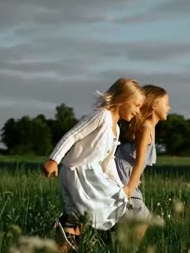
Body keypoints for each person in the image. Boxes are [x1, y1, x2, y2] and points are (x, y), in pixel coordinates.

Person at [42, 78, 145, 252]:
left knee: (92, 205)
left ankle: (68, 234)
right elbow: (73, 135)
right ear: (123, 99)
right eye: (136, 105)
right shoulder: (101, 116)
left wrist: (122, 186)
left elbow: (108, 161)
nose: (138, 112)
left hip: (91, 173)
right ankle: (96, 234)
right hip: (78, 170)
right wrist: (54, 159)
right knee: (106, 201)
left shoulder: (116, 128)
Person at [114, 84, 170, 243]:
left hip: (126, 176)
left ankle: (120, 243)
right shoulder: (145, 129)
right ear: (154, 105)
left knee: (131, 218)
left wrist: (136, 179)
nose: (169, 107)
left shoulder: (149, 128)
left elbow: (139, 163)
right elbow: (139, 162)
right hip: (123, 178)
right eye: (166, 104)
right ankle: (128, 247)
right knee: (143, 217)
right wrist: (130, 187)